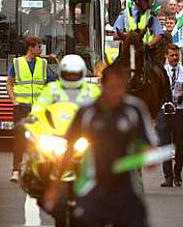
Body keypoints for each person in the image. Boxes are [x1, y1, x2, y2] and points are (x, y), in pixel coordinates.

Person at [46, 59, 158, 227]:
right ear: (103, 86)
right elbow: (68, 151)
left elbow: (148, 144)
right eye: (113, 88)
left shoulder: (135, 110)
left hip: (126, 191)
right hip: (93, 188)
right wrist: (55, 187)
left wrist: (150, 157)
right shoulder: (86, 113)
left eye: (121, 88)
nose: (117, 93)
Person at [6, 36, 49, 182]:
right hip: (21, 108)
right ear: (31, 47)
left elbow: (49, 84)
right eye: (38, 46)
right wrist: (14, 100)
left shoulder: (43, 63)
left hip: (37, 109)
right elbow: (9, 83)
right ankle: (16, 170)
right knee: (19, 141)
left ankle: (35, 170)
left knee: (39, 141)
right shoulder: (17, 63)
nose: (41, 49)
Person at [158, 44, 183, 188]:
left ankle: (177, 173)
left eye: (176, 55)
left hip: (179, 110)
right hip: (165, 111)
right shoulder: (161, 71)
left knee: (179, 145)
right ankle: (168, 176)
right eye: (172, 55)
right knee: (165, 145)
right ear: (166, 56)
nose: (174, 58)